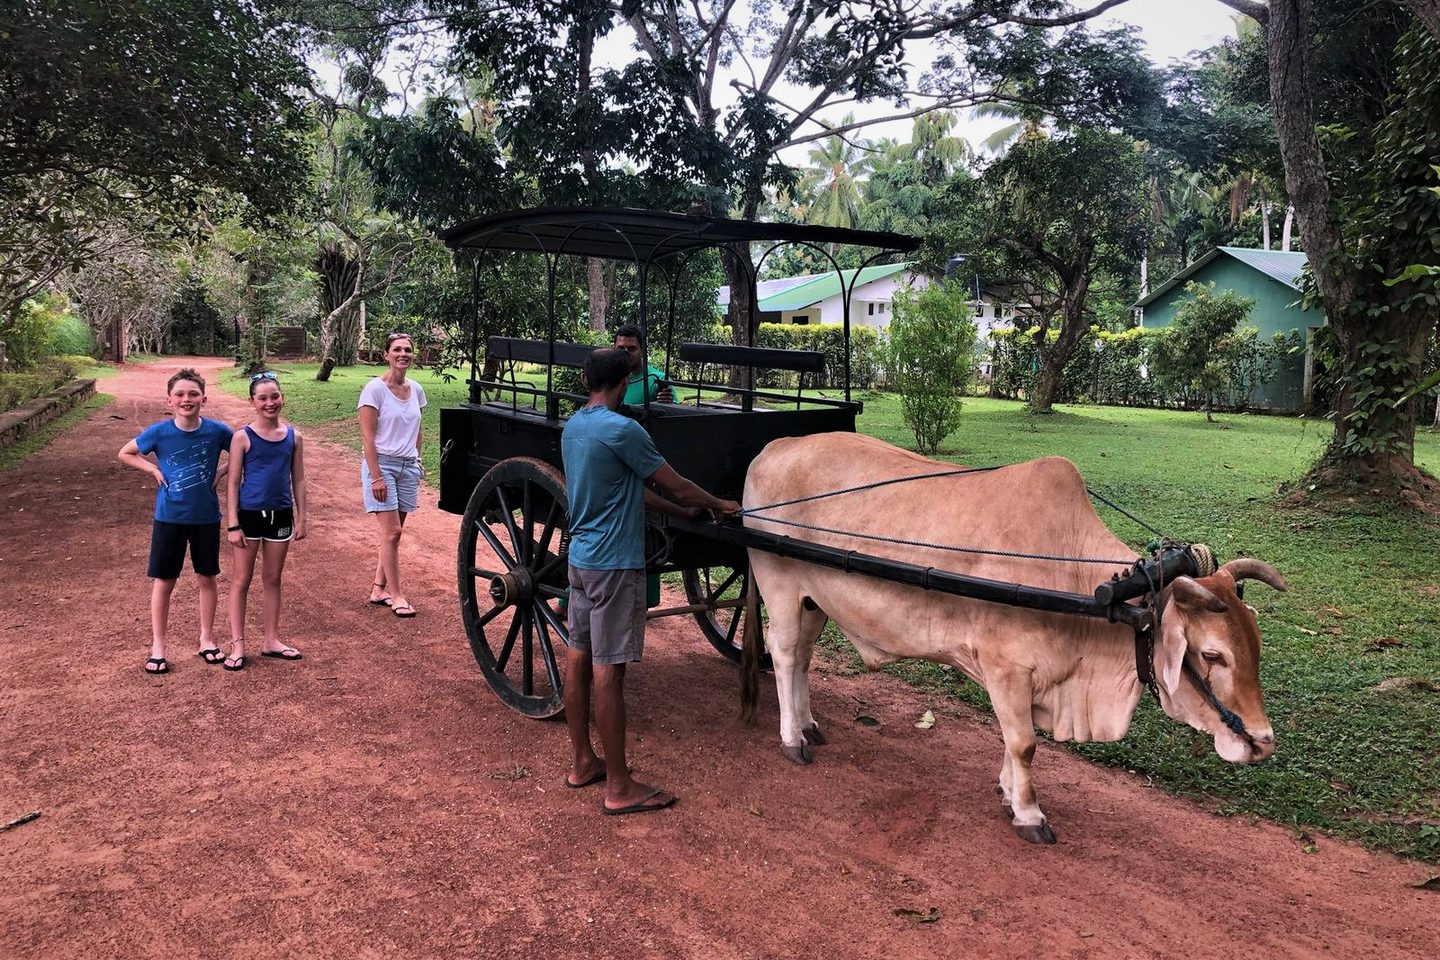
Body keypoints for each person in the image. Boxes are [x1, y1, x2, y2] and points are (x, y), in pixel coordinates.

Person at [561, 348, 741, 815]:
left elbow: (631, 490)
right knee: (609, 670)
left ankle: (583, 762)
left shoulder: (575, 427)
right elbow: (674, 482)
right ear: (624, 383)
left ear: (586, 382)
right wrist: (720, 504)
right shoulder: (624, 430)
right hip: (615, 566)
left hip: (580, 561)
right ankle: (619, 787)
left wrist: (682, 514)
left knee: (578, 658)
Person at [117, 367, 232, 674]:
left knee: (206, 578)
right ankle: (158, 646)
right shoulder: (160, 432)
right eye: (180, 394)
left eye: (193, 394)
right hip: (169, 517)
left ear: (203, 398)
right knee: (164, 581)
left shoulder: (218, 431)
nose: (186, 399)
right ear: (169, 400)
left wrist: (223, 470)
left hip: (206, 517)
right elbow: (126, 453)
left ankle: (207, 639)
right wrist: (152, 470)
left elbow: (244, 449)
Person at [222, 371, 308, 671]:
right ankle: (237, 644)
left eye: (275, 396)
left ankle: (271, 640)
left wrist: (302, 517)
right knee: (241, 579)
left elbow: (298, 479)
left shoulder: (293, 437)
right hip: (248, 516)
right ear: (252, 401)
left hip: (281, 515)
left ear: (281, 397)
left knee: (273, 578)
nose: (270, 403)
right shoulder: (242, 437)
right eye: (263, 398)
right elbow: (233, 482)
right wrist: (232, 523)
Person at [359, 332, 426, 618]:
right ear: (386, 354)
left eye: (407, 350)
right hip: (382, 465)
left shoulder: (417, 390)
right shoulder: (374, 390)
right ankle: (397, 595)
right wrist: (376, 476)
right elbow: (367, 437)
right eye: (397, 349)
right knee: (393, 532)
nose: (403, 354)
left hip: (408, 465)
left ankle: (378, 588)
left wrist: (418, 459)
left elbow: (418, 429)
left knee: (393, 535)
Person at [614, 324, 673, 405]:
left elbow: (672, 413)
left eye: (631, 349)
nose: (626, 353)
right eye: (621, 348)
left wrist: (667, 402)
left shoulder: (659, 380)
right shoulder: (609, 378)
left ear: (642, 350)